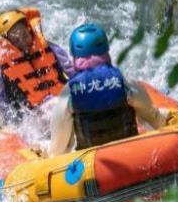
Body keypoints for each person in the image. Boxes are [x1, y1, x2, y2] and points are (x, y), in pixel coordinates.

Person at [49, 23, 170, 156]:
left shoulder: (70, 91)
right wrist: (165, 122)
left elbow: (60, 142)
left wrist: (52, 156)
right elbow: (150, 116)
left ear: (75, 55)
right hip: (131, 151)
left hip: (92, 160)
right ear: (106, 50)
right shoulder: (122, 80)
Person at [0, 8, 75, 121]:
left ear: (29, 30)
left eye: (25, 35)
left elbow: (72, 72)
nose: (23, 42)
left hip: (59, 101)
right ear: (6, 44)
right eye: (16, 41)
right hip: (30, 117)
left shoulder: (49, 48)